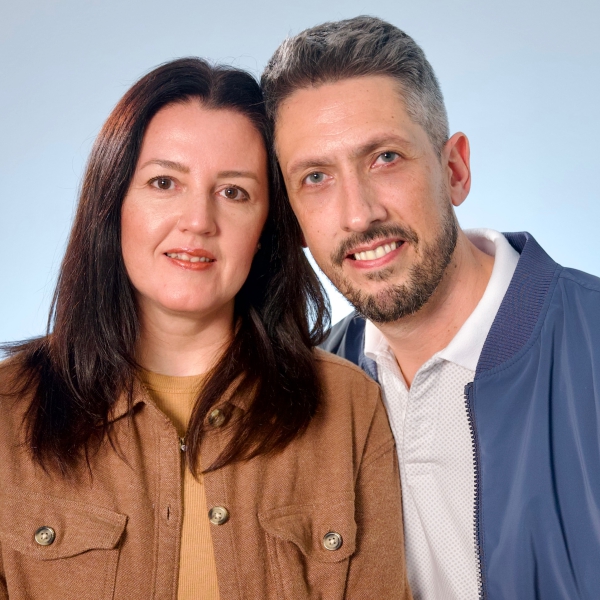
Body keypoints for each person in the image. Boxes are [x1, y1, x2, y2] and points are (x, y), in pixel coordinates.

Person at [0, 57, 411, 600]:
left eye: (234, 192)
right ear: (113, 204)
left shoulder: (350, 406)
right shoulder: (8, 411)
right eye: (164, 182)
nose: (198, 221)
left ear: (266, 227)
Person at [262, 15, 600, 600]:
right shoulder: (301, 396)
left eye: (385, 158)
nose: (358, 214)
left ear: (454, 170)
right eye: (315, 177)